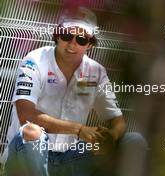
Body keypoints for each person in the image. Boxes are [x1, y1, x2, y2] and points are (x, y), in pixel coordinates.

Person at [2, 8, 147, 176]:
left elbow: (117, 120)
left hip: (70, 157)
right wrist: (79, 130)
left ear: (90, 44)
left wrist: (110, 137)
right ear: (57, 36)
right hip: (26, 155)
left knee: (134, 140)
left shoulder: (95, 72)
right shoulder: (34, 61)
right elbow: (25, 114)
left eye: (81, 39)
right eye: (66, 36)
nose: (72, 44)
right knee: (32, 132)